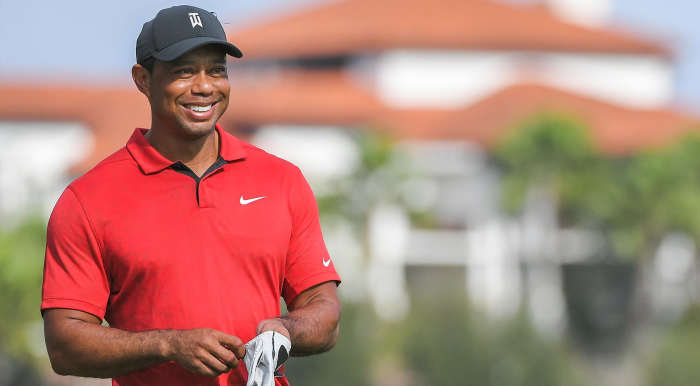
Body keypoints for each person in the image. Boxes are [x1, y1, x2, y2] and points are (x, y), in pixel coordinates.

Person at [40, 5, 341, 386]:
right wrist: (167, 345)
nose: (204, 86)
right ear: (143, 79)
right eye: (184, 71)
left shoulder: (282, 180)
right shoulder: (87, 200)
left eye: (217, 70)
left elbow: (324, 313)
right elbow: (64, 345)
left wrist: (285, 329)